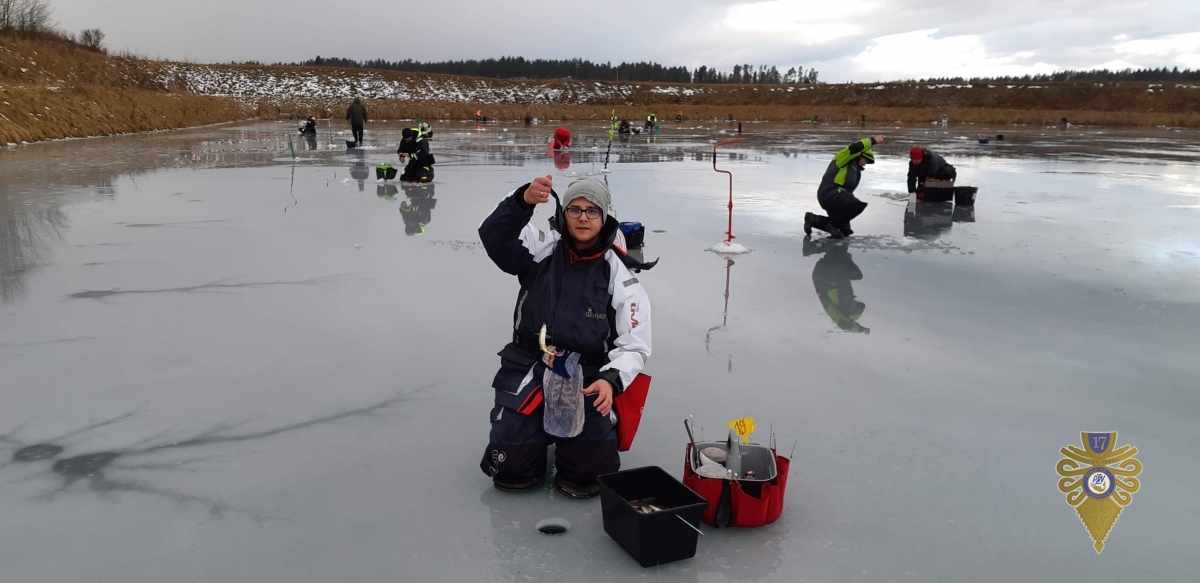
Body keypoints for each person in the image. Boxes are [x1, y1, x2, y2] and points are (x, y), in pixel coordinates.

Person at [478, 175, 654, 499]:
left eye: (592, 210)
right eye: (575, 209)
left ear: (604, 217)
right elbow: (494, 234)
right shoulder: (541, 248)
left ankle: (589, 433)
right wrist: (523, 200)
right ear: (564, 213)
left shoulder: (619, 272)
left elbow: (635, 342)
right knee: (510, 470)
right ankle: (531, 432)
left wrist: (611, 381)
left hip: (587, 375)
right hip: (530, 364)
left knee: (588, 477)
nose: (583, 217)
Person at [804, 135, 884, 239]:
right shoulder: (843, 158)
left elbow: (848, 192)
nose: (865, 164)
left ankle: (813, 220)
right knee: (856, 205)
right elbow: (855, 147)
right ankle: (832, 225)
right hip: (829, 193)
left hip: (838, 197)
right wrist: (873, 141)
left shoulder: (856, 172)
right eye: (866, 160)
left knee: (845, 232)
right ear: (859, 156)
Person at [804, 239, 870, 334]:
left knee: (840, 246)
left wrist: (862, 329)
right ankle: (812, 248)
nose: (855, 302)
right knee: (839, 249)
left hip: (825, 276)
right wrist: (848, 262)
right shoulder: (847, 298)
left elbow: (845, 326)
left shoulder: (839, 311)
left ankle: (811, 248)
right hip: (829, 274)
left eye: (856, 306)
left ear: (851, 311)